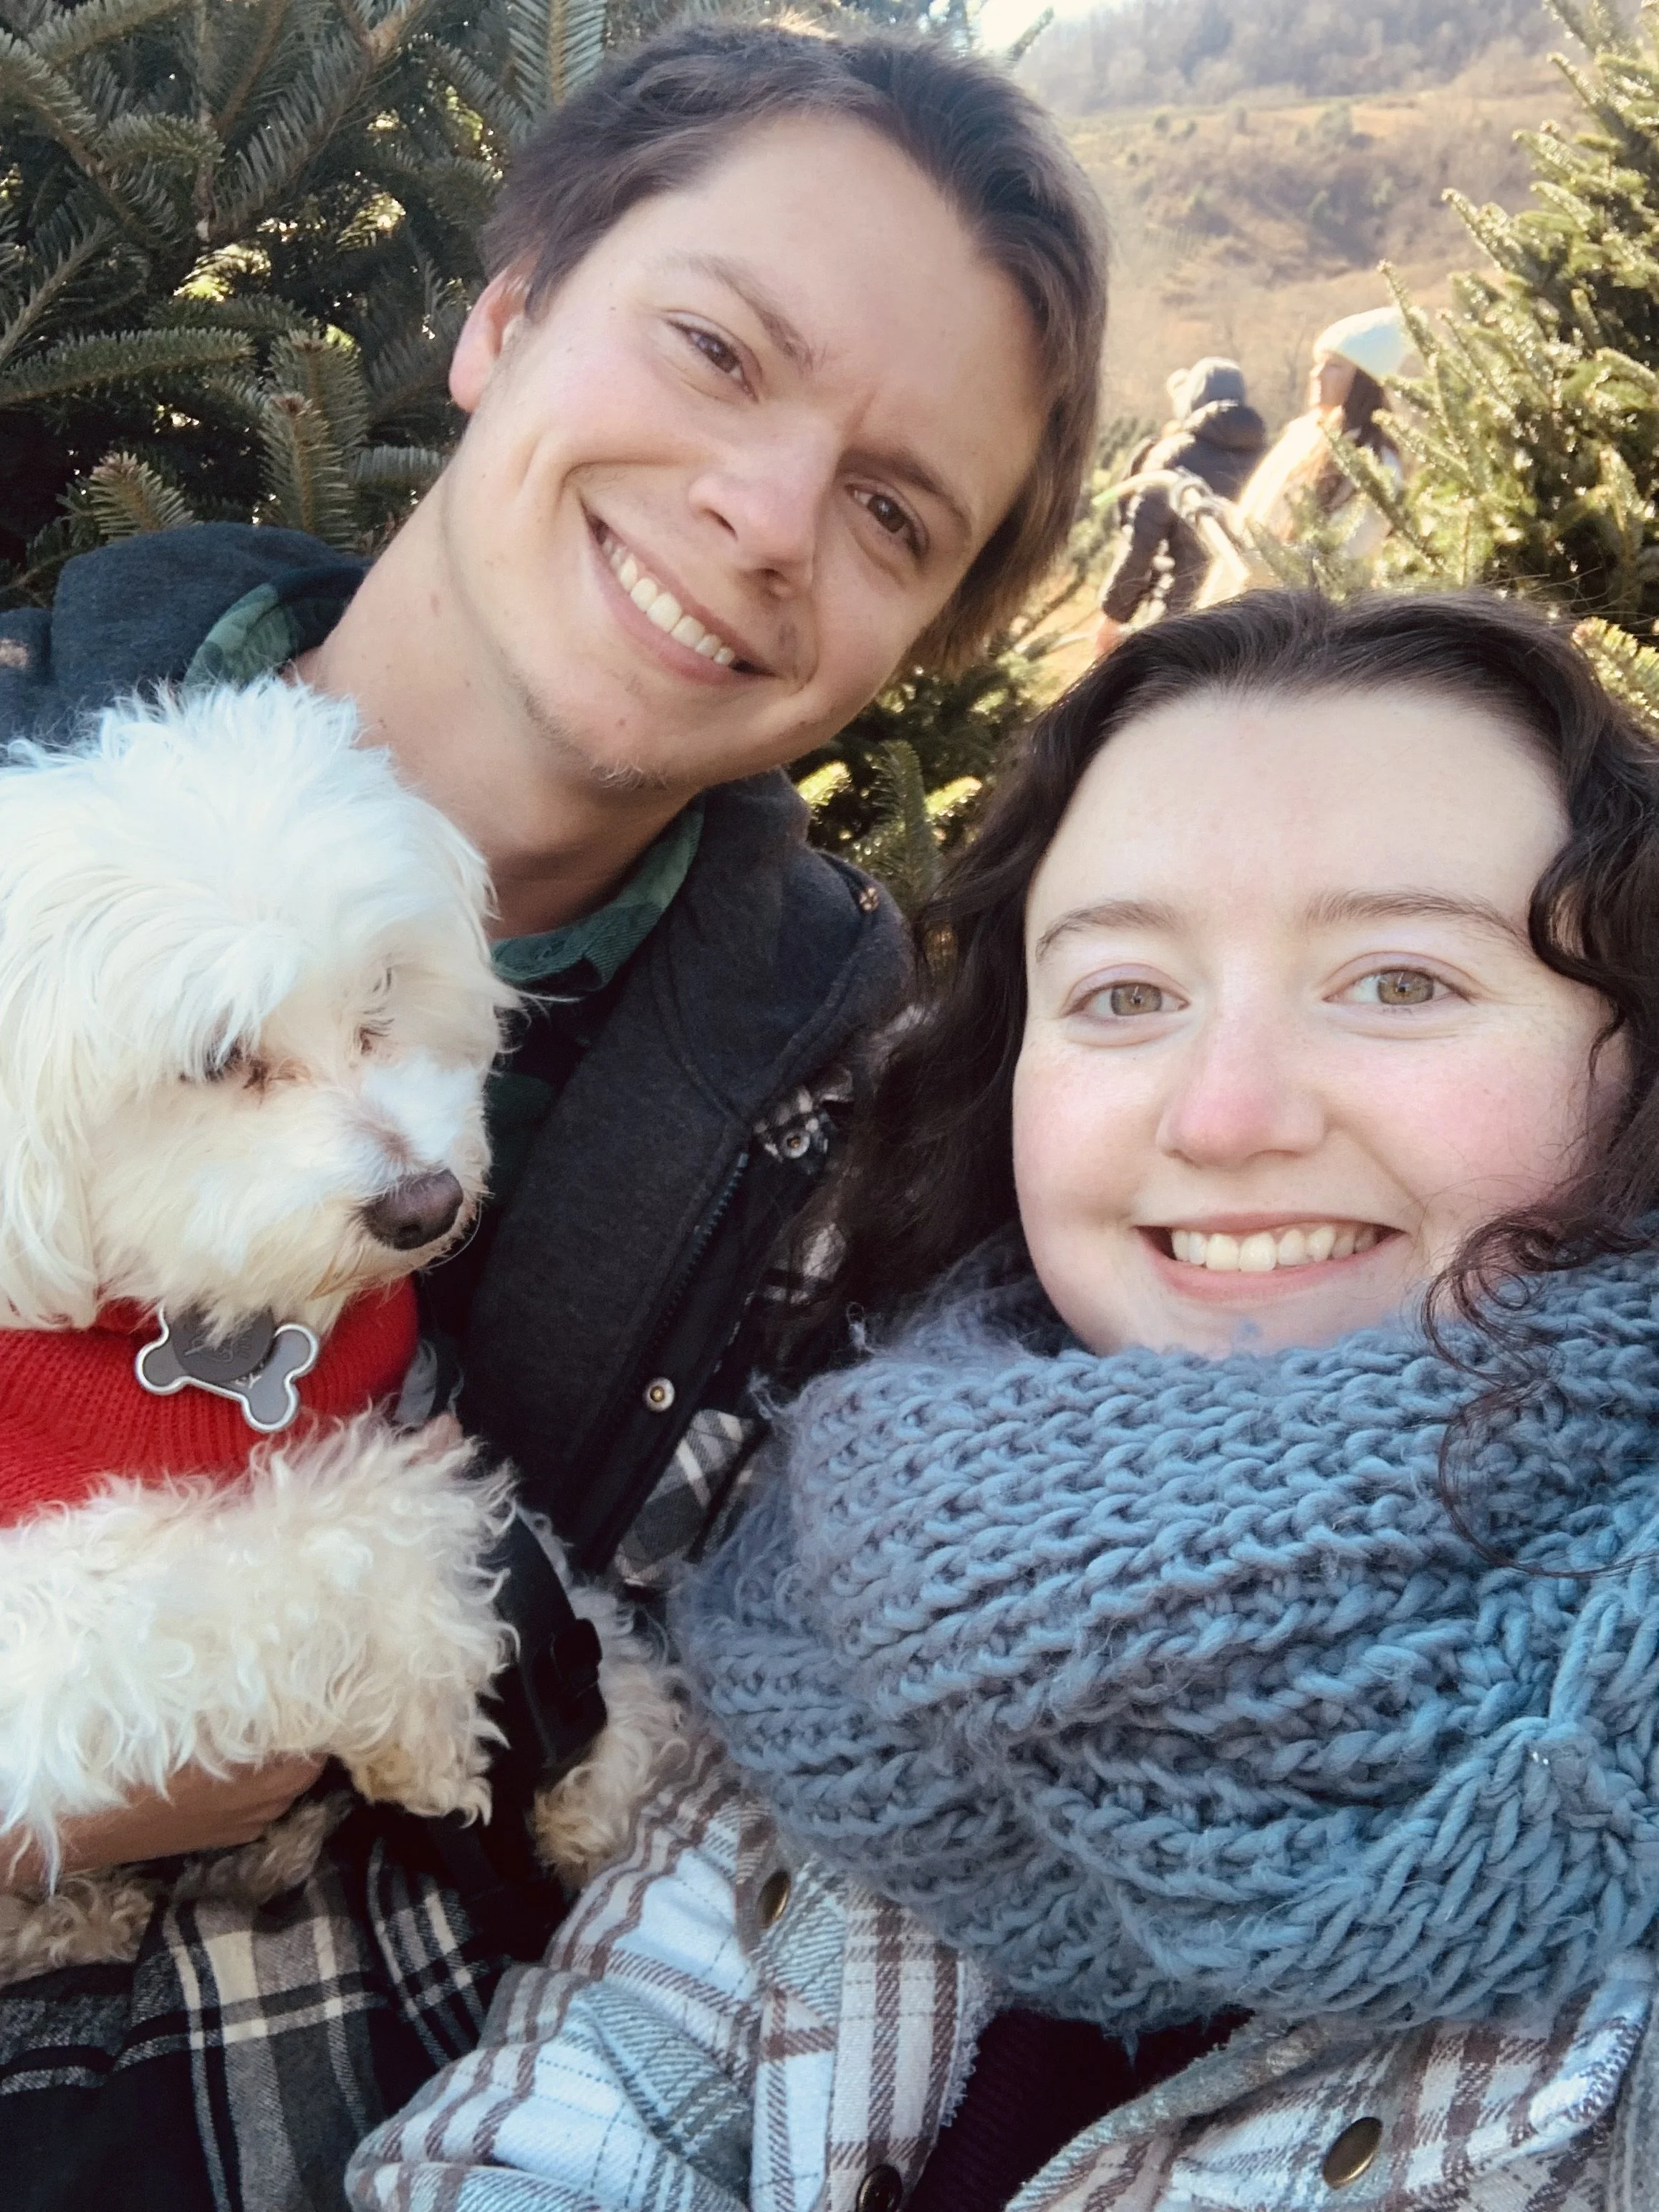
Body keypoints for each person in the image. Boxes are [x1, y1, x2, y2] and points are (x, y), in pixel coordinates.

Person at [0, 25, 1107, 2209]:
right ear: (501, 319)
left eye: (894, 512)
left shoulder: (879, 1144)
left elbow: (771, 1867)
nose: (765, 514)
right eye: (715, 348)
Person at [350, 588, 1659, 2211]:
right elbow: (541, 2139)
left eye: (1396, 981)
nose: (1225, 1110)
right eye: (1120, 994)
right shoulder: (839, 1586)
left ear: (1631, 1059)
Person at [1092, 356, 1264, 655]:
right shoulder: (1270, 459)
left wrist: (1113, 617)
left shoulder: (1174, 454)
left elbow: (1140, 546)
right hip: (1245, 623)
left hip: (1177, 618)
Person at [1227, 304, 1408, 574]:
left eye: (1334, 367)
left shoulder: (1377, 464)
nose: (1317, 375)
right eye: (1318, 364)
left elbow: (1345, 559)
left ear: (1365, 381)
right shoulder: (1304, 436)